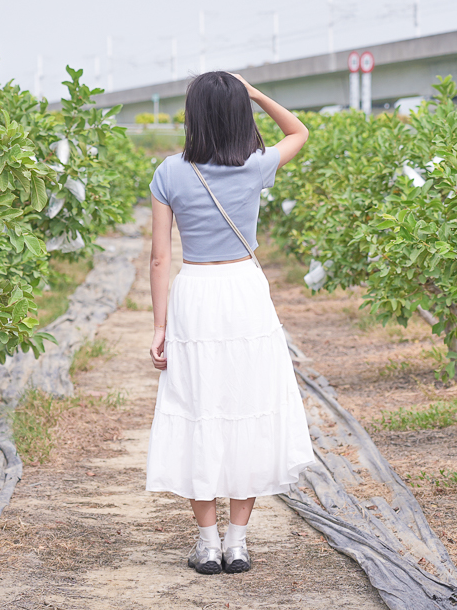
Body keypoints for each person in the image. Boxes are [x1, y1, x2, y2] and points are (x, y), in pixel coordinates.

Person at [145, 70, 315, 575]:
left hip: (195, 293)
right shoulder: (256, 166)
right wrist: (255, 93)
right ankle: (237, 542)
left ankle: (207, 543)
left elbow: (159, 259)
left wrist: (159, 327)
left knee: (197, 406)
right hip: (244, 291)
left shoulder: (169, 172)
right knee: (248, 407)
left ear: (193, 116)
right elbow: (299, 131)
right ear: (241, 112)